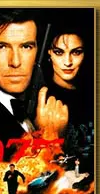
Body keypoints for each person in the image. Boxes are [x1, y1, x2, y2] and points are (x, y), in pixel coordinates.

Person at [0, 11, 69, 147]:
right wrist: (49, 141)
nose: (15, 62)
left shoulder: (41, 107)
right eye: (1, 47)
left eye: (26, 47)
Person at [39, 20, 93, 165]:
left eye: (76, 52)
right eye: (59, 52)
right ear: (49, 53)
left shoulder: (91, 94)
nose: (67, 62)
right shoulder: (41, 100)